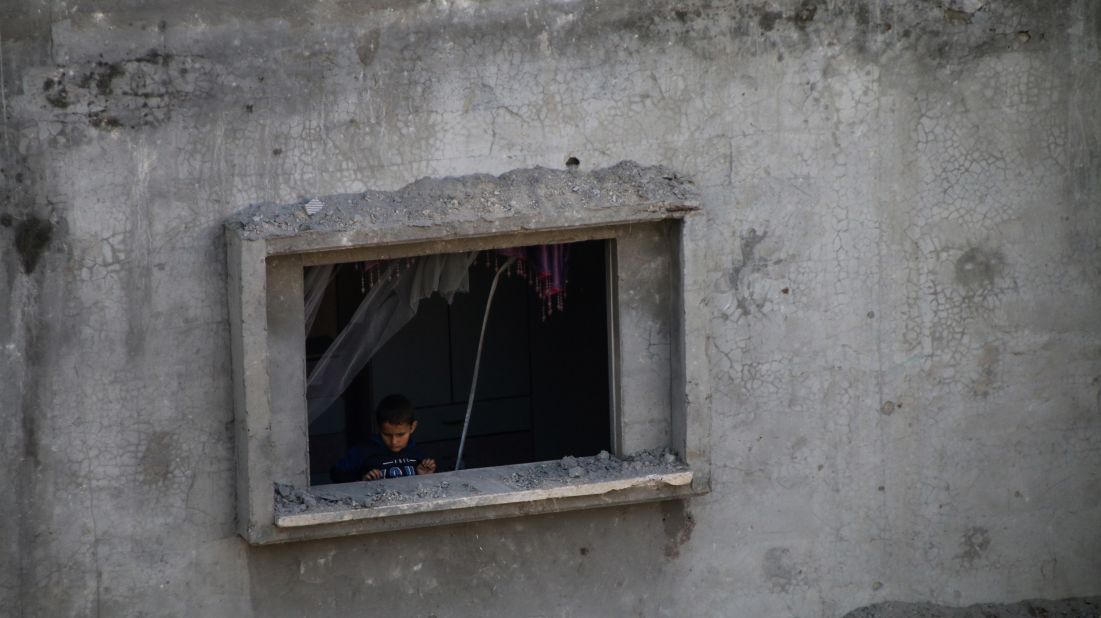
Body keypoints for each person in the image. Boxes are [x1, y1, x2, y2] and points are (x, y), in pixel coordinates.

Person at [330, 394, 437, 483]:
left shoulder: (421, 455)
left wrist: (425, 477)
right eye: (387, 435)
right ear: (379, 428)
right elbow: (337, 475)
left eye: (400, 435)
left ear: (412, 427)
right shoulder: (363, 452)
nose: (394, 441)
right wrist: (361, 483)